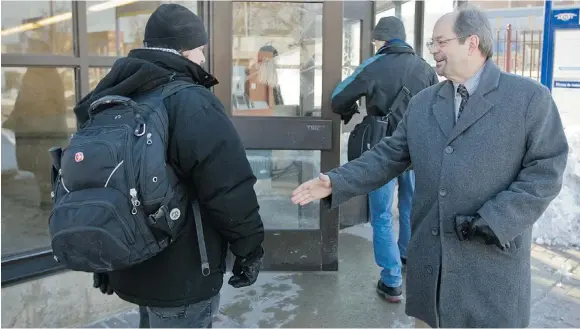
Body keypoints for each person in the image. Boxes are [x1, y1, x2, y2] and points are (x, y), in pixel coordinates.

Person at [292, 5, 568, 328]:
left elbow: (547, 169)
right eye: (432, 44)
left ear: (472, 43)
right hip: (431, 284)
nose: (433, 51)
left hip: (490, 283)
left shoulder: (528, 100)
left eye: (441, 42)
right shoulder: (423, 103)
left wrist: (497, 219)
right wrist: (336, 182)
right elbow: (387, 156)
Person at [78, 4, 265, 328]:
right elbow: (228, 187)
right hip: (184, 275)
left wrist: (103, 262)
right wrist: (249, 248)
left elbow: (94, 184)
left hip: (127, 261)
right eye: (200, 50)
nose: (204, 59)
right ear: (183, 51)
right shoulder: (191, 102)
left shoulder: (109, 97)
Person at [330, 16, 438, 302]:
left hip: (382, 152)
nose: (374, 43)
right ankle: (406, 256)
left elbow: (338, 97)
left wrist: (353, 107)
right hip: (417, 151)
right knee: (410, 207)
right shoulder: (425, 69)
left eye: (376, 39)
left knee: (381, 215)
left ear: (383, 39)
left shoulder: (374, 64)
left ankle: (391, 281)